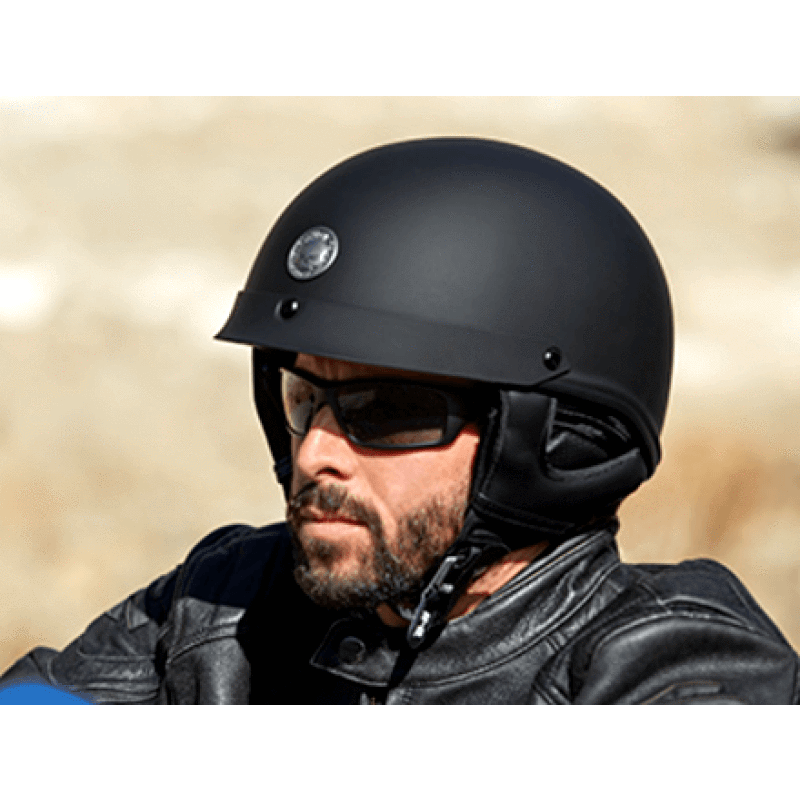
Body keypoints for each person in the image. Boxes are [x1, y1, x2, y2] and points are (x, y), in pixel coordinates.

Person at [2, 137, 798, 704]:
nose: (316, 453)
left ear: (552, 440)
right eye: (304, 398)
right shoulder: (229, 607)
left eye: (387, 413)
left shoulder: (667, 663)